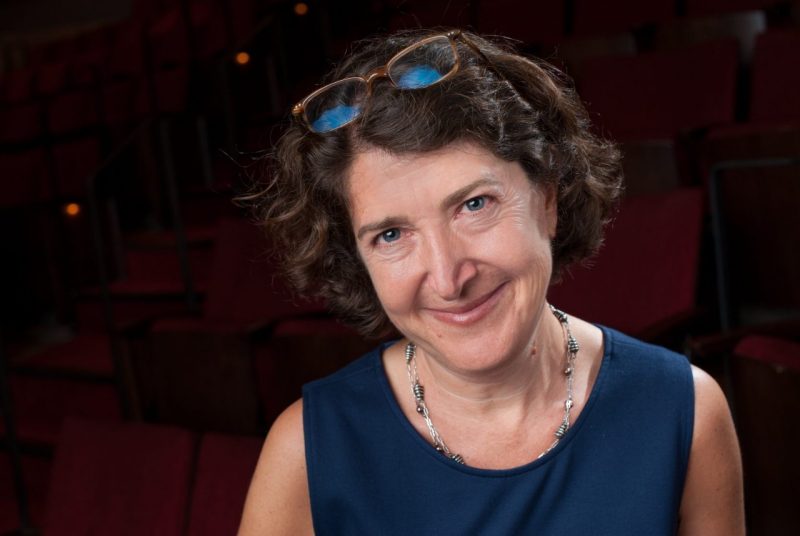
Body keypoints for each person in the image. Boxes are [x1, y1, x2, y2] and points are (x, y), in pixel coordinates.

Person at [238, 29, 743, 535]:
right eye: (391, 234)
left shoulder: (685, 410)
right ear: (359, 260)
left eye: (473, 205)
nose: (448, 276)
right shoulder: (305, 451)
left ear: (547, 198)